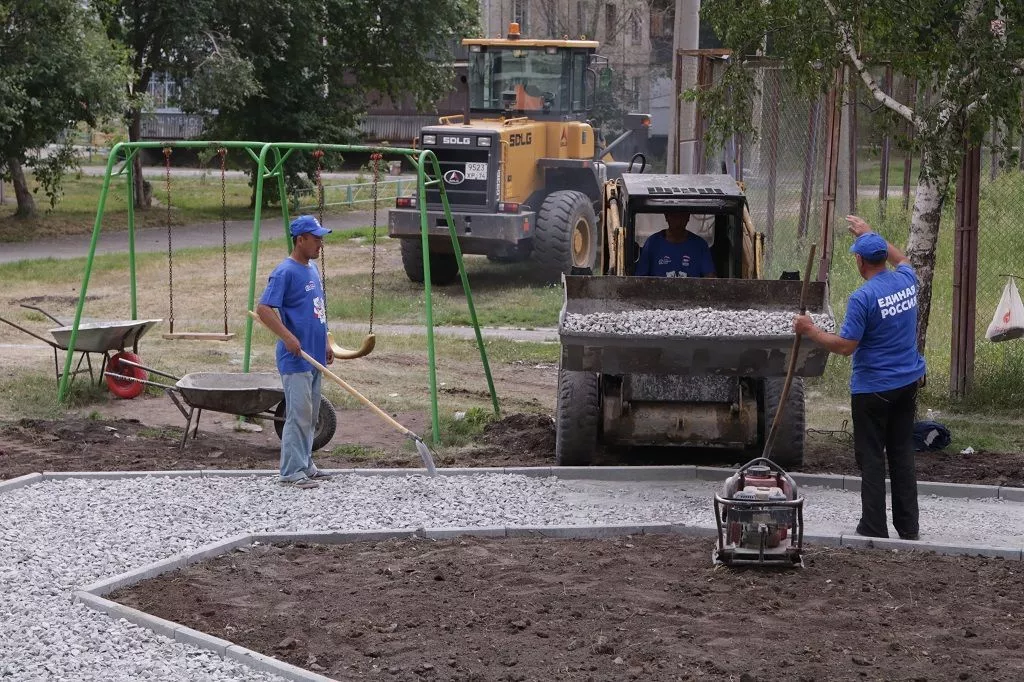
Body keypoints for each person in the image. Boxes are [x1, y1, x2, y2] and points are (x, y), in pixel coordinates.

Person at [793, 215, 926, 540]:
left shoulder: (863, 298)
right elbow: (903, 259)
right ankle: (908, 527)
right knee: (901, 453)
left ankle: (874, 526)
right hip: (907, 383)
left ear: (860, 261)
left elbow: (845, 347)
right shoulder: (907, 280)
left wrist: (811, 330)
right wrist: (872, 234)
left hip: (873, 390)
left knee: (871, 456)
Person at [256, 215, 336, 489]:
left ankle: (306, 465)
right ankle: (291, 471)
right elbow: (263, 309)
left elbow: (317, 309)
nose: (320, 244)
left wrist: (326, 341)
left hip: (314, 356)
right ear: (300, 239)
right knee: (299, 415)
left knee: (311, 416)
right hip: (295, 358)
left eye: (321, 238)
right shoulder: (284, 272)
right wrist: (288, 337)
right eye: (316, 239)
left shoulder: (311, 269)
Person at [635, 213, 717, 278]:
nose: (678, 222)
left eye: (682, 216)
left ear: (688, 217)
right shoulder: (652, 243)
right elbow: (640, 279)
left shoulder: (700, 245)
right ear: (666, 216)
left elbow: (710, 279)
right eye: (674, 216)